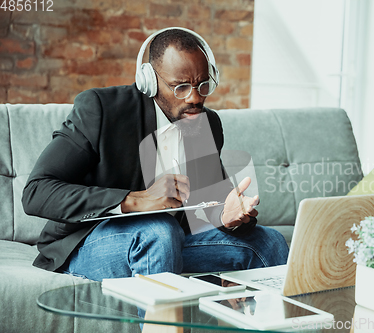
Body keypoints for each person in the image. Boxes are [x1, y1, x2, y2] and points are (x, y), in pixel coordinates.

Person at [22, 27, 289, 281]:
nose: (195, 98)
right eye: (181, 86)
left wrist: (226, 218)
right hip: (87, 242)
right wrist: (135, 200)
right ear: (149, 81)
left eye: (203, 85)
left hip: (169, 241)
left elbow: (207, 207)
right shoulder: (102, 110)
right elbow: (37, 191)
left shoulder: (206, 123)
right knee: (160, 232)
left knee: (269, 242)